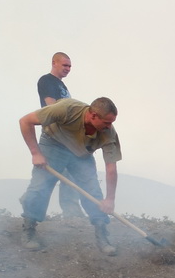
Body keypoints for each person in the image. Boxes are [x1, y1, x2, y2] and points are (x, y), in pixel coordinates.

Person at [18, 97, 121, 256]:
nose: (109, 126)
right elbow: (25, 121)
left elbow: (111, 168)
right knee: (39, 187)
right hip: (53, 144)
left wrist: (110, 199)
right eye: (106, 122)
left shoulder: (109, 133)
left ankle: (102, 235)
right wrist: (35, 153)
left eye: (111, 122)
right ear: (93, 115)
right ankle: (28, 229)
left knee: (93, 191)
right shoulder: (66, 109)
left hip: (81, 154)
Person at [36, 52, 84, 218]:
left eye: (70, 66)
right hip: (53, 135)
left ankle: (72, 213)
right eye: (65, 65)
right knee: (46, 176)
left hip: (67, 136)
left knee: (69, 173)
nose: (68, 69)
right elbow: (52, 106)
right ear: (54, 63)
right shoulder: (47, 81)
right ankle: (32, 210)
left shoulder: (62, 86)